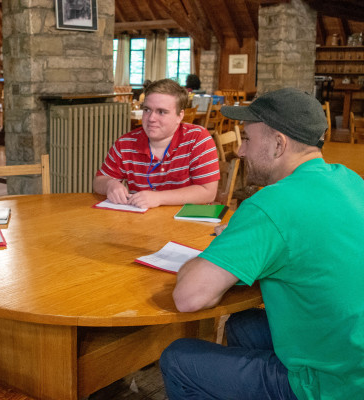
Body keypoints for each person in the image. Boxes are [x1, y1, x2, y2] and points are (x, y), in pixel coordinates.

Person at [159, 88, 364, 399]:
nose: (241, 151)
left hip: (330, 386)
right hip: (352, 355)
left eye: (249, 139)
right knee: (242, 324)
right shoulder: (349, 179)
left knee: (178, 359)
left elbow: (189, 298)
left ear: (279, 143)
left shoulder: (271, 204)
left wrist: (229, 240)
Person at [93, 79, 220, 209]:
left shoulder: (198, 138)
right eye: (147, 110)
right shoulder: (125, 143)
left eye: (161, 112)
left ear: (179, 116)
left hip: (188, 222)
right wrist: (110, 184)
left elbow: (208, 192)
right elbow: (99, 182)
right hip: (141, 222)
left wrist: (158, 198)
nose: (151, 118)